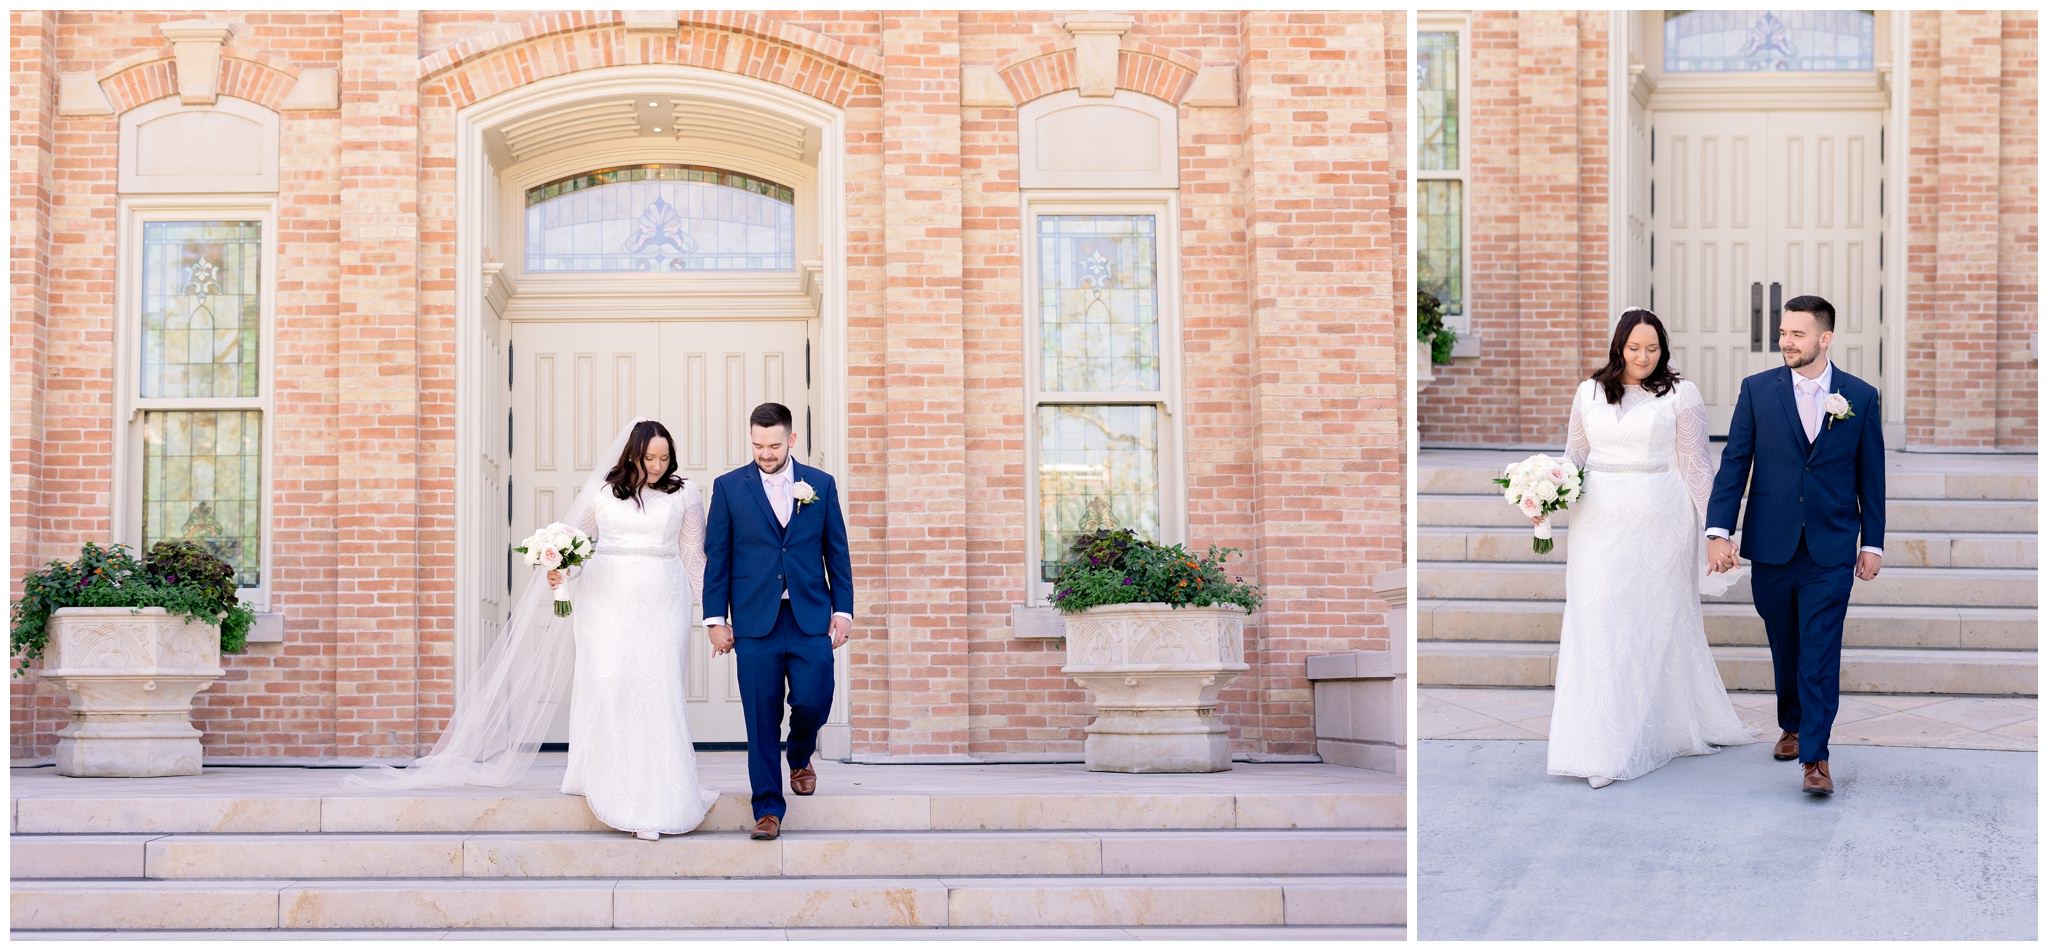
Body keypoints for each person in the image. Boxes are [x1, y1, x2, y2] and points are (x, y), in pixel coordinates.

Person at [347, 418, 715, 840]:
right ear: (632, 454)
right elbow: (579, 548)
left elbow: (692, 555)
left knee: (657, 686)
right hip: (606, 600)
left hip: (660, 601)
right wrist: (561, 573)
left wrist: (714, 615)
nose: (656, 465)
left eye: (664, 458)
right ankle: (606, 782)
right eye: (649, 457)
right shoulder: (602, 494)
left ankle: (657, 798)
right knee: (610, 683)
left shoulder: (684, 492)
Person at [1545, 309, 1755, 789]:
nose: (1643, 356)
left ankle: (1640, 736)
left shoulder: (1681, 394)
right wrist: (1543, 490)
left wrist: (1715, 532)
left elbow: (1697, 466)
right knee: (1597, 620)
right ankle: (1595, 741)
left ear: (1663, 350)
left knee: (1651, 624)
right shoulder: (1588, 391)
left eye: (1652, 348)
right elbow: (1575, 455)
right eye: (1634, 347)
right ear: (1619, 346)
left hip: (1661, 519)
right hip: (1596, 520)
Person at [1706, 295, 1886, 797]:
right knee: (1786, 646)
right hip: (1772, 545)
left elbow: (1871, 479)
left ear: (1824, 339)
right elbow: (1735, 464)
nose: (1786, 341)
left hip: (1830, 546)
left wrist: (1873, 542)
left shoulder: (1861, 397)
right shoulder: (1757, 391)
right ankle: (1792, 722)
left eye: (1797, 334)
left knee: (1821, 652)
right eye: (1783, 333)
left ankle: (1816, 756)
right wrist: (1719, 531)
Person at [702, 401, 854, 842]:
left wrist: (842, 610)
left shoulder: (820, 484)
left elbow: (836, 552)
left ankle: (801, 753)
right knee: (760, 716)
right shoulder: (729, 488)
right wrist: (715, 619)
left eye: (772, 444)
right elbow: (719, 558)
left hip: (809, 615)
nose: (765, 453)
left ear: (791, 439)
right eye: (757, 445)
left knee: (814, 697)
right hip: (754, 620)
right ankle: (767, 808)